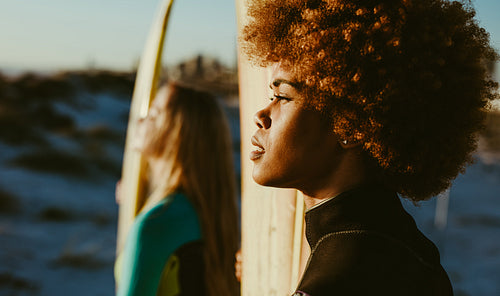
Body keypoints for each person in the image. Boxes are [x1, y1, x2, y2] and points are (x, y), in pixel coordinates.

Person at [241, 0, 498, 295]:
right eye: (270, 96)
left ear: (350, 127)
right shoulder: (407, 253)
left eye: (283, 97)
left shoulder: (337, 279)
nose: (261, 115)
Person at [114, 82, 240, 296]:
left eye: (153, 114)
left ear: (176, 133)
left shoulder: (154, 224)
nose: (140, 119)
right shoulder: (215, 215)